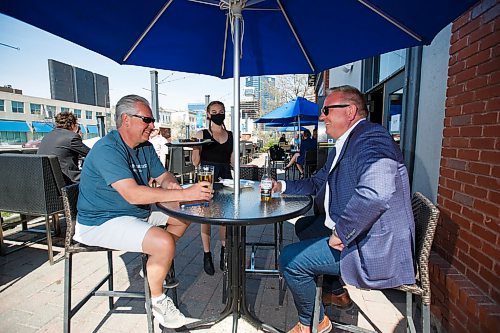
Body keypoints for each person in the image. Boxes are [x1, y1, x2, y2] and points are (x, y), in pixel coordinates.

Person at [273, 85, 415, 333]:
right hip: (359, 233)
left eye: (326, 109)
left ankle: (312, 322)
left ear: (349, 111)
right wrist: (281, 185)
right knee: (306, 226)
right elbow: (317, 182)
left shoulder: (371, 138)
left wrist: (342, 231)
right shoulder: (346, 143)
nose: (321, 116)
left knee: (290, 259)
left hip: (371, 244)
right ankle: (335, 291)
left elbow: (377, 191)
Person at [73, 95, 213, 329]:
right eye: (147, 120)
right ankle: (157, 301)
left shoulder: (145, 147)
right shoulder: (107, 149)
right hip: (100, 221)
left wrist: (172, 186)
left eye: (153, 120)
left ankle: (153, 264)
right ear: (126, 119)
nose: (153, 126)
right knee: (164, 243)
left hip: (132, 213)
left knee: (188, 213)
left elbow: (163, 176)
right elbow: (134, 194)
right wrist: (184, 194)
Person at [192, 101, 234, 275]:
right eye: (214, 111)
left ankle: (224, 251)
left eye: (221, 111)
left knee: (224, 217)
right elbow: (195, 162)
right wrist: (196, 146)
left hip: (225, 177)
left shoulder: (231, 135)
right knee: (207, 217)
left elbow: (232, 162)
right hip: (206, 176)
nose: (218, 114)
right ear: (208, 114)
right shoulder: (201, 133)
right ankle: (207, 254)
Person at [38, 111, 90, 184]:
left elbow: (63, 151)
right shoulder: (72, 137)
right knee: (98, 180)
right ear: (72, 125)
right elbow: (92, 154)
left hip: (50, 182)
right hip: (69, 180)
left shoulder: (47, 136)